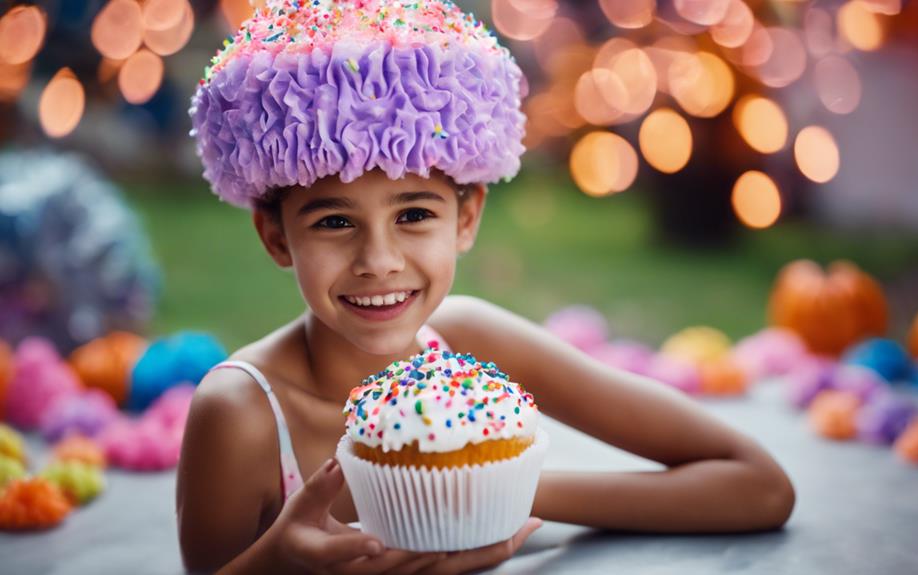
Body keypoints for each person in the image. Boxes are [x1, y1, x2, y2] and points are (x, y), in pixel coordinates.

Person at [177, 1, 795, 573]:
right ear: (276, 236)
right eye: (334, 222)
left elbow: (760, 486)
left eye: (414, 214)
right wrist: (275, 563)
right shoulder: (240, 416)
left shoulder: (468, 343)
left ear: (466, 217)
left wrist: (488, 492)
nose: (379, 261)